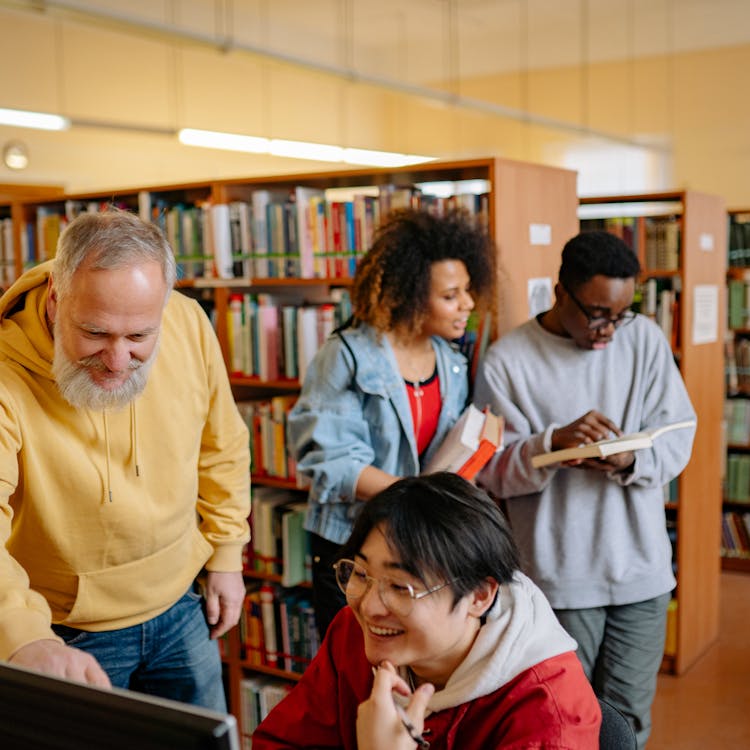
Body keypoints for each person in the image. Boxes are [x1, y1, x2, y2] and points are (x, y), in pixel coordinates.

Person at [0, 209, 250, 711]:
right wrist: (22, 633)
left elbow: (220, 443)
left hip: (182, 603)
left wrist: (226, 553)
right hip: (67, 632)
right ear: (55, 298)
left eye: (139, 337)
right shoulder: (6, 377)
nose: (117, 360)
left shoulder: (186, 321)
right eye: (94, 333)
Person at [474, 230, 697, 748]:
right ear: (559, 293)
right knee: (561, 724)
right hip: (559, 579)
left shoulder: (642, 340)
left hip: (642, 576)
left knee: (629, 724)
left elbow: (679, 435)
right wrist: (552, 443)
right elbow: (489, 471)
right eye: (597, 314)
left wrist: (629, 458)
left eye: (621, 315)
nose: (608, 332)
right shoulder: (507, 361)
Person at [252, 472, 601, 749]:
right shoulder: (354, 632)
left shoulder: (550, 715)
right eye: (360, 574)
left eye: (400, 587)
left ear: (478, 596)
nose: (370, 606)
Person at [287, 208, 495, 637]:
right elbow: (332, 462)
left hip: (417, 547)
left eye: (467, 291)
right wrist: (420, 496)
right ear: (413, 296)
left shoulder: (451, 362)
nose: (468, 305)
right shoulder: (345, 354)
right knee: (355, 674)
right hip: (353, 544)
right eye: (451, 295)